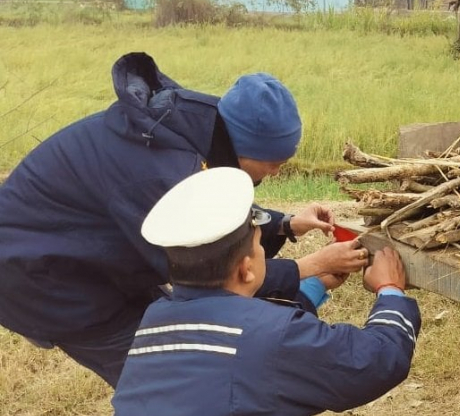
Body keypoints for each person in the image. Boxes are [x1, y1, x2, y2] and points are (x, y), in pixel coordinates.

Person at [0, 52, 367, 387]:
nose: (275, 173)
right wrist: (309, 267)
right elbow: (209, 272)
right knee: (165, 380)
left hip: (96, 251)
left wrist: (284, 224)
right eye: (273, 163)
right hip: (44, 275)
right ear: (245, 147)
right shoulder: (164, 171)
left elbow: (214, 215)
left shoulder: (200, 128)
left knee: (185, 345)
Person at [112, 167, 420, 415]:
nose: (262, 251)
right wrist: (390, 289)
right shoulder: (273, 337)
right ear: (245, 269)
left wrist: (314, 284)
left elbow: (248, 332)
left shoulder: (155, 318)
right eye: (260, 246)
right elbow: (373, 363)